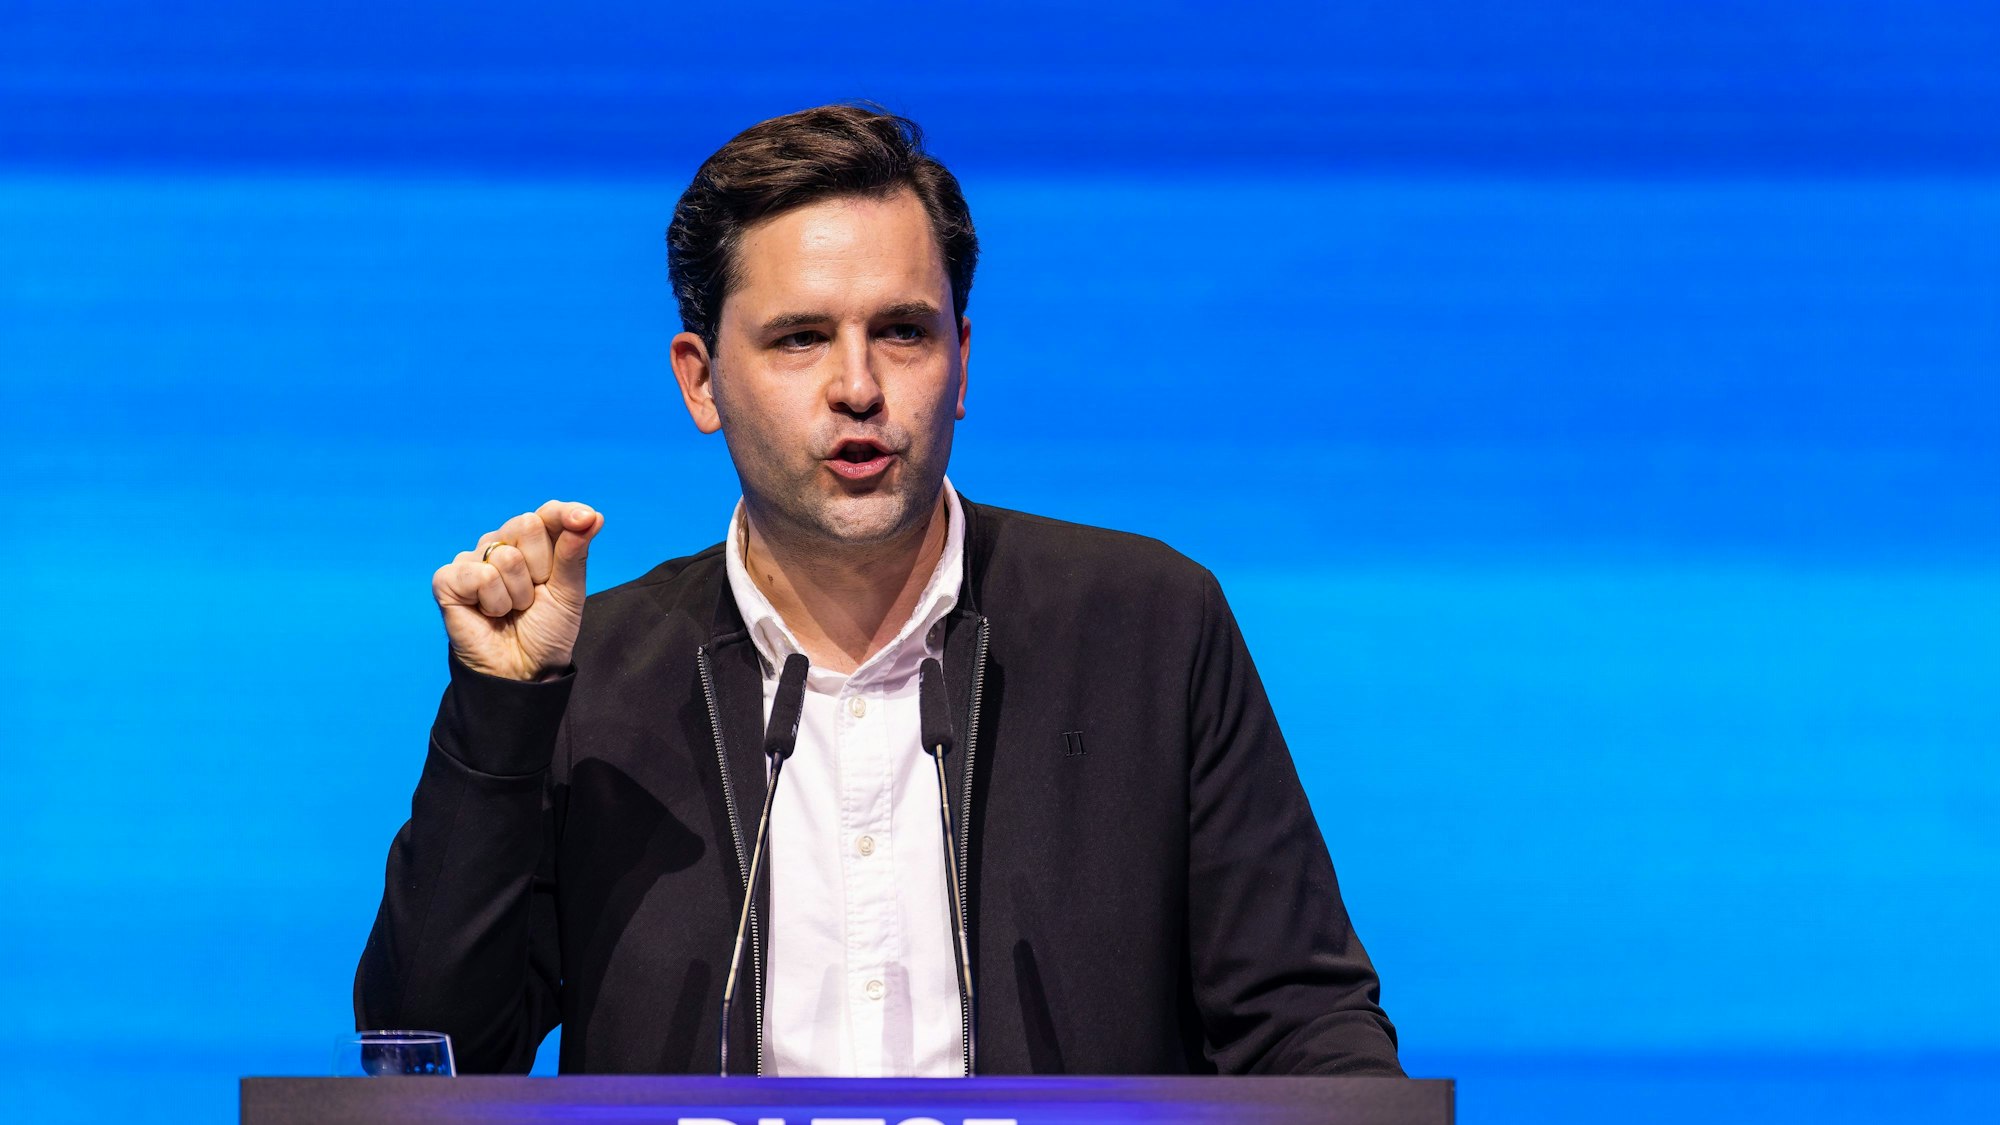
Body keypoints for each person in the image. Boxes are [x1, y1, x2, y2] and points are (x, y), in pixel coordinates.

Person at [355, 104, 1401, 1078]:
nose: (858, 386)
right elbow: (429, 1054)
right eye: (800, 338)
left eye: (901, 331)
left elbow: (1304, 1025)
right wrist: (500, 718)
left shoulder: (1147, 629)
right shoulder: (596, 685)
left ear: (960, 362)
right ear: (700, 380)